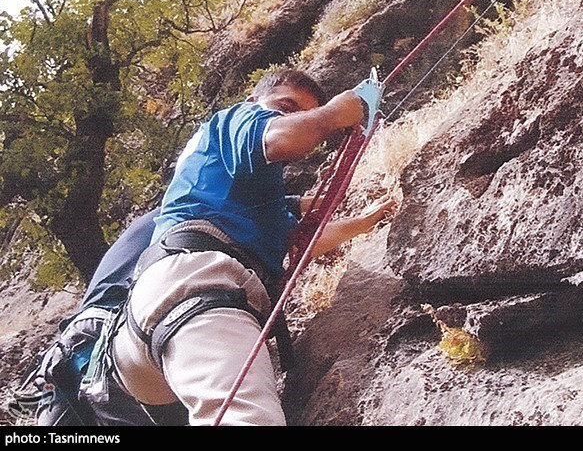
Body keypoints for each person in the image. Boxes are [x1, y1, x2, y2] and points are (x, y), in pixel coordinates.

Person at [106, 68, 394, 426]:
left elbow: (300, 242)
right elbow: (281, 139)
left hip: (147, 339)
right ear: (253, 100)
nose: (289, 116)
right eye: (285, 105)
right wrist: (337, 111)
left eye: (300, 112)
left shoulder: (250, 189)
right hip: (198, 291)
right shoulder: (239, 119)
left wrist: (363, 223)